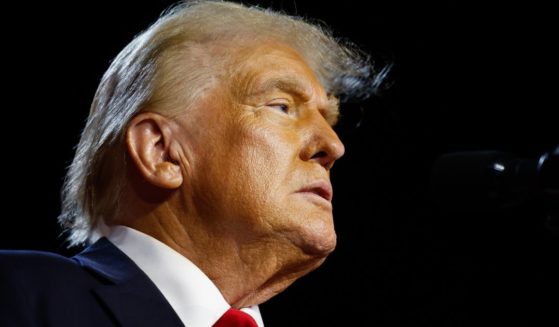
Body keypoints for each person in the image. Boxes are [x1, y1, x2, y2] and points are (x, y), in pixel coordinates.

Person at [0, 1, 386, 326]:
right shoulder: (18, 294)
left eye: (329, 121)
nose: (333, 146)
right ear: (161, 152)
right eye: (282, 107)